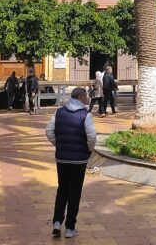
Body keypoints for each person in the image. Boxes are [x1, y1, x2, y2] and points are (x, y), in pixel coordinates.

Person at [46, 86, 96, 239]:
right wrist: (87, 150)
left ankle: (56, 222)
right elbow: (92, 137)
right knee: (75, 192)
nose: (87, 98)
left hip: (62, 159)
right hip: (79, 161)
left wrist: (58, 145)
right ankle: (70, 227)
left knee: (62, 190)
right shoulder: (85, 115)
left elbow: (49, 131)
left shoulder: (59, 112)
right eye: (86, 96)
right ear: (81, 97)